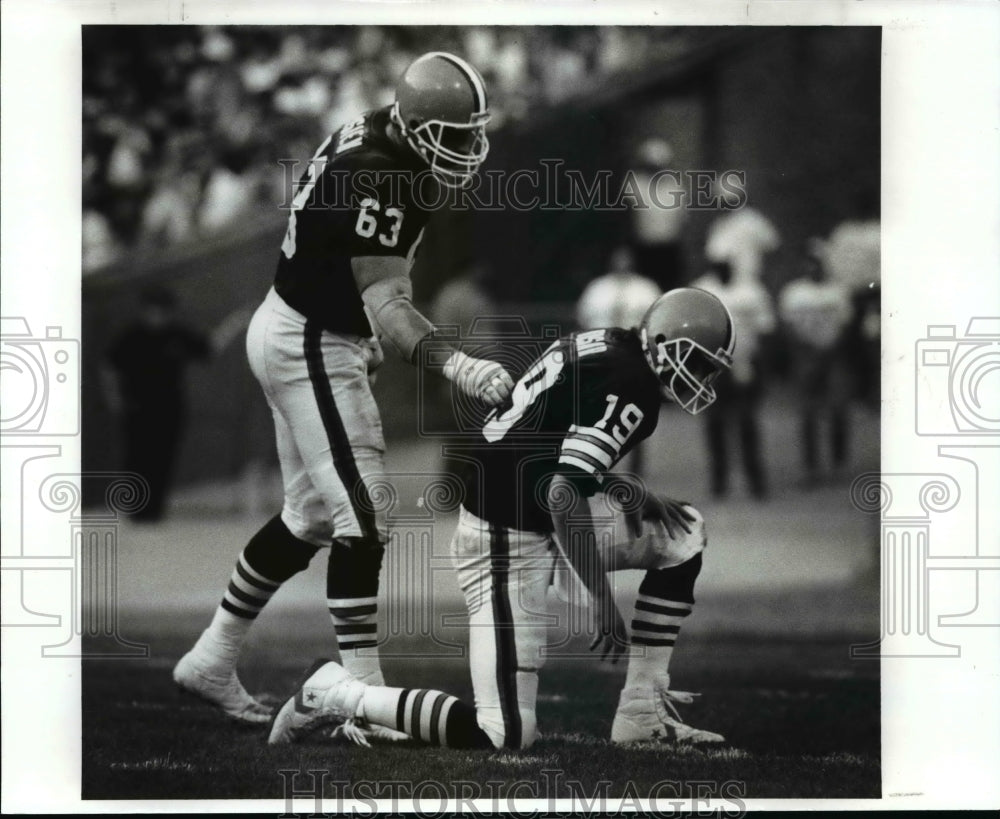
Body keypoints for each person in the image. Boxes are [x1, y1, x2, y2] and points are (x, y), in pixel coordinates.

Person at [173, 51, 514, 725]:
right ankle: (362, 694)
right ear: (415, 126)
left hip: (304, 324)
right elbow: (387, 302)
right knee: (366, 517)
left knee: (311, 516)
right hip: (309, 339)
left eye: (474, 133)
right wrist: (460, 364)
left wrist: (359, 333)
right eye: (454, 136)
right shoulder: (384, 172)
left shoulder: (377, 131)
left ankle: (211, 657)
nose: (468, 150)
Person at [266, 289, 735, 749]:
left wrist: (627, 489)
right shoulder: (634, 386)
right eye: (694, 362)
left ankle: (642, 713)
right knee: (504, 734)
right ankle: (333, 692)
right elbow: (561, 492)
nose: (697, 378)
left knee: (682, 533)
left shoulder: (610, 342)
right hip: (504, 539)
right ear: (661, 340)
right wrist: (601, 598)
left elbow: (547, 441)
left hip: (523, 512)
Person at [102, 286, 249, 522]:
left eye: (163, 311)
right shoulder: (131, 337)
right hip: (136, 410)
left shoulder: (176, 335)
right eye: (154, 310)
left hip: (169, 409)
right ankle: (136, 509)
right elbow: (109, 367)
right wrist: (115, 399)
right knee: (137, 459)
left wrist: (234, 323)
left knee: (163, 459)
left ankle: (154, 511)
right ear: (145, 311)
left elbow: (209, 347)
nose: (159, 316)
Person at [691, 258, 775, 499]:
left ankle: (756, 480)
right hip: (711, 365)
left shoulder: (752, 290)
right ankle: (719, 480)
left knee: (747, 422)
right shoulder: (700, 289)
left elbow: (766, 329)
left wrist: (759, 365)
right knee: (714, 423)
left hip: (744, 361)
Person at [779, 245, 854, 486]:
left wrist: (828, 350)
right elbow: (787, 328)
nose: (814, 266)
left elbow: (846, 326)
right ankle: (811, 467)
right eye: (810, 261)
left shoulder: (839, 291)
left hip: (833, 356)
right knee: (808, 414)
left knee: (837, 410)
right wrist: (807, 352)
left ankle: (838, 464)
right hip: (806, 357)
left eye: (818, 261)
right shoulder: (793, 292)